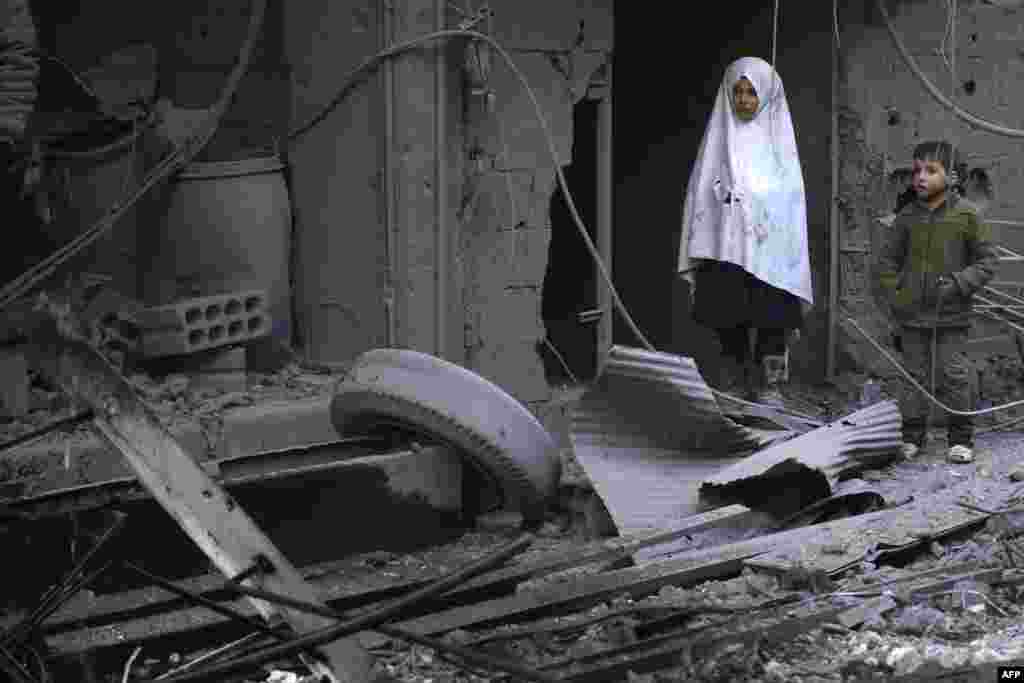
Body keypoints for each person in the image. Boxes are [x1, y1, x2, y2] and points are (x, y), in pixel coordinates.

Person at [678, 57, 812, 407]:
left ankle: (770, 389)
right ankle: (735, 385)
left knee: (772, 320)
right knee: (728, 317)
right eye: (737, 91)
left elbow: (791, 203)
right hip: (727, 252)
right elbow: (702, 197)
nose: (744, 99)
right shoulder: (717, 145)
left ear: (767, 95)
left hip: (771, 255)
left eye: (752, 91)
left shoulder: (780, 145)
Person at [878, 140, 999, 464]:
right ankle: (912, 436)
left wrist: (960, 283)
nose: (920, 177)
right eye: (917, 170)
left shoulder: (967, 216)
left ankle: (960, 439)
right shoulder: (906, 218)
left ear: (954, 177)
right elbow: (887, 262)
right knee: (913, 375)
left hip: (952, 316)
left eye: (931, 170)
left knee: (954, 375)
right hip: (912, 316)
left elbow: (987, 262)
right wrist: (897, 295)